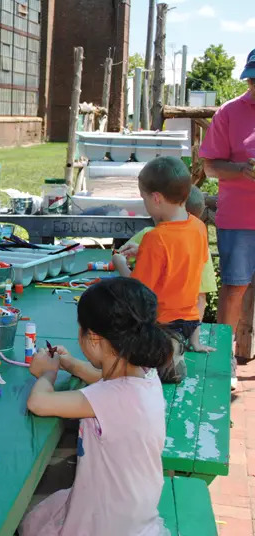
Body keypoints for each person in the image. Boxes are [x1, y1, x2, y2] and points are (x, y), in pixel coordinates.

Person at [19, 277, 171, 536]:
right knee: (42, 515)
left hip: (106, 521)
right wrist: (72, 365)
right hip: (132, 508)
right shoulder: (145, 374)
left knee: (32, 523)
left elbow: (39, 403)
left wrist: (47, 374)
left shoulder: (111, 397)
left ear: (93, 338)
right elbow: (105, 378)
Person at [111, 157, 210, 354]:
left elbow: (140, 290)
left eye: (144, 198)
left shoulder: (155, 237)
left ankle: (169, 356)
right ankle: (187, 345)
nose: (144, 203)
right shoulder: (198, 227)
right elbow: (184, 261)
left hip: (161, 324)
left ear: (156, 198)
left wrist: (120, 263)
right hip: (191, 322)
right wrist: (144, 253)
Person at [199, 51, 255, 364]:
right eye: (253, 79)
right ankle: (223, 358)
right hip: (239, 219)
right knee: (234, 287)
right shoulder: (230, 112)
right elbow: (209, 166)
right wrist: (240, 170)